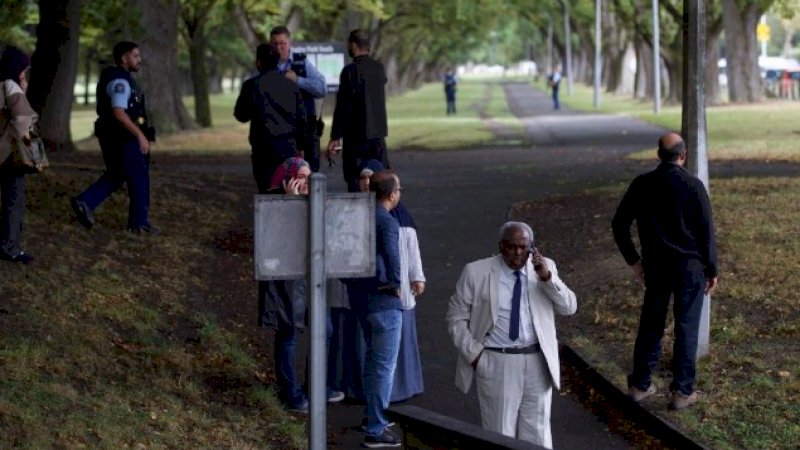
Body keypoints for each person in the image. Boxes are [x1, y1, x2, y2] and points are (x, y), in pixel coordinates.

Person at [445, 222, 577, 449]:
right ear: (500, 246)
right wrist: (475, 355)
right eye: (512, 247)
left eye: (523, 247)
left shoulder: (545, 270)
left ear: (532, 247)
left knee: (538, 434)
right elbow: (455, 317)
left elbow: (569, 308)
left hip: (538, 361)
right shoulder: (476, 272)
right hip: (497, 361)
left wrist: (547, 278)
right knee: (499, 434)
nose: (518, 253)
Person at [612, 132, 718, 411]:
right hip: (690, 267)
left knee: (651, 324)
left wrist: (634, 261)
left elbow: (619, 224)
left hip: (655, 266)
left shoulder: (642, 184)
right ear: (683, 155)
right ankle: (682, 392)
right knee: (686, 327)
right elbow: (706, 232)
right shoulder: (694, 186)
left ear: (658, 155)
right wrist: (712, 269)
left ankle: (640, 385)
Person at [258, 156, 345, 412]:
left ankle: (316, 385)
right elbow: (275, 240)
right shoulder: (273, 204)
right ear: (289, 180)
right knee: (289, 334)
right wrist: (291, 203)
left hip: (314, 278)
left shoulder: (317, 201)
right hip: (287, 281)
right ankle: (290, 393)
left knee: (325, 329)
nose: (308, 182)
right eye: (302, 177)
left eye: (310, 177)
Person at [71, 41, 159, 234]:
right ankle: (138, 223)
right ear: (123, 58)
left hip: (116, 136)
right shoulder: (120, 82)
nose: (139, 59)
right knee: (138, 176)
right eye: (135, 56)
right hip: (122, 137)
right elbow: (119, 112)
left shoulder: (122, 78)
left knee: (117, 174)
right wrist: (139, 135)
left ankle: (85, 201)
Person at [349, 170, 404, 448]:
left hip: (360, 297)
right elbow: (393, 257)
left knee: (372, 363)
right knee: (383, 366)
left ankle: (370, 416)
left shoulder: (359, 215)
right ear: (392, 194)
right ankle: (376, 427)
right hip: (384, 301)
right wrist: (396, 284)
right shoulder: (388, 221)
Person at [234, 43, 308, 195]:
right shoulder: (291, 86)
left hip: (264, 151)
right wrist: (300, 146)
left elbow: (241, 115)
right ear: (278, 61)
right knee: (292, 192)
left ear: (258, 62)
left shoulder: (252, 86)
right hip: (289, 149)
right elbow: (302, 119)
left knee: (268, 195)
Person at [325, 29, 390, 193]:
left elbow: (343, 107)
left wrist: (335, 137)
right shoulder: (379, 69)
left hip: (355, 137)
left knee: (356, 181)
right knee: (380, 181)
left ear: (353, 45)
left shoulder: (349, 72)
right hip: (377, 135)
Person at [270, 26, 327, 172]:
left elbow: (322, 88)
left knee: (311, 172)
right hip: (280, 129)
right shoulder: (267, 66)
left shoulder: (302, 63)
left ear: (290, 43)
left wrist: (298, 80)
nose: (279, 48)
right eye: (275, 44)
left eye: (282, 43)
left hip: (307, 127)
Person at [0, 46, 35, 264]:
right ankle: (9, 247)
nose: (24, 75)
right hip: (7, 154)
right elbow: (23, 117)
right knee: (13, 200)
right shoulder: (11, 85)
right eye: (24, 70)